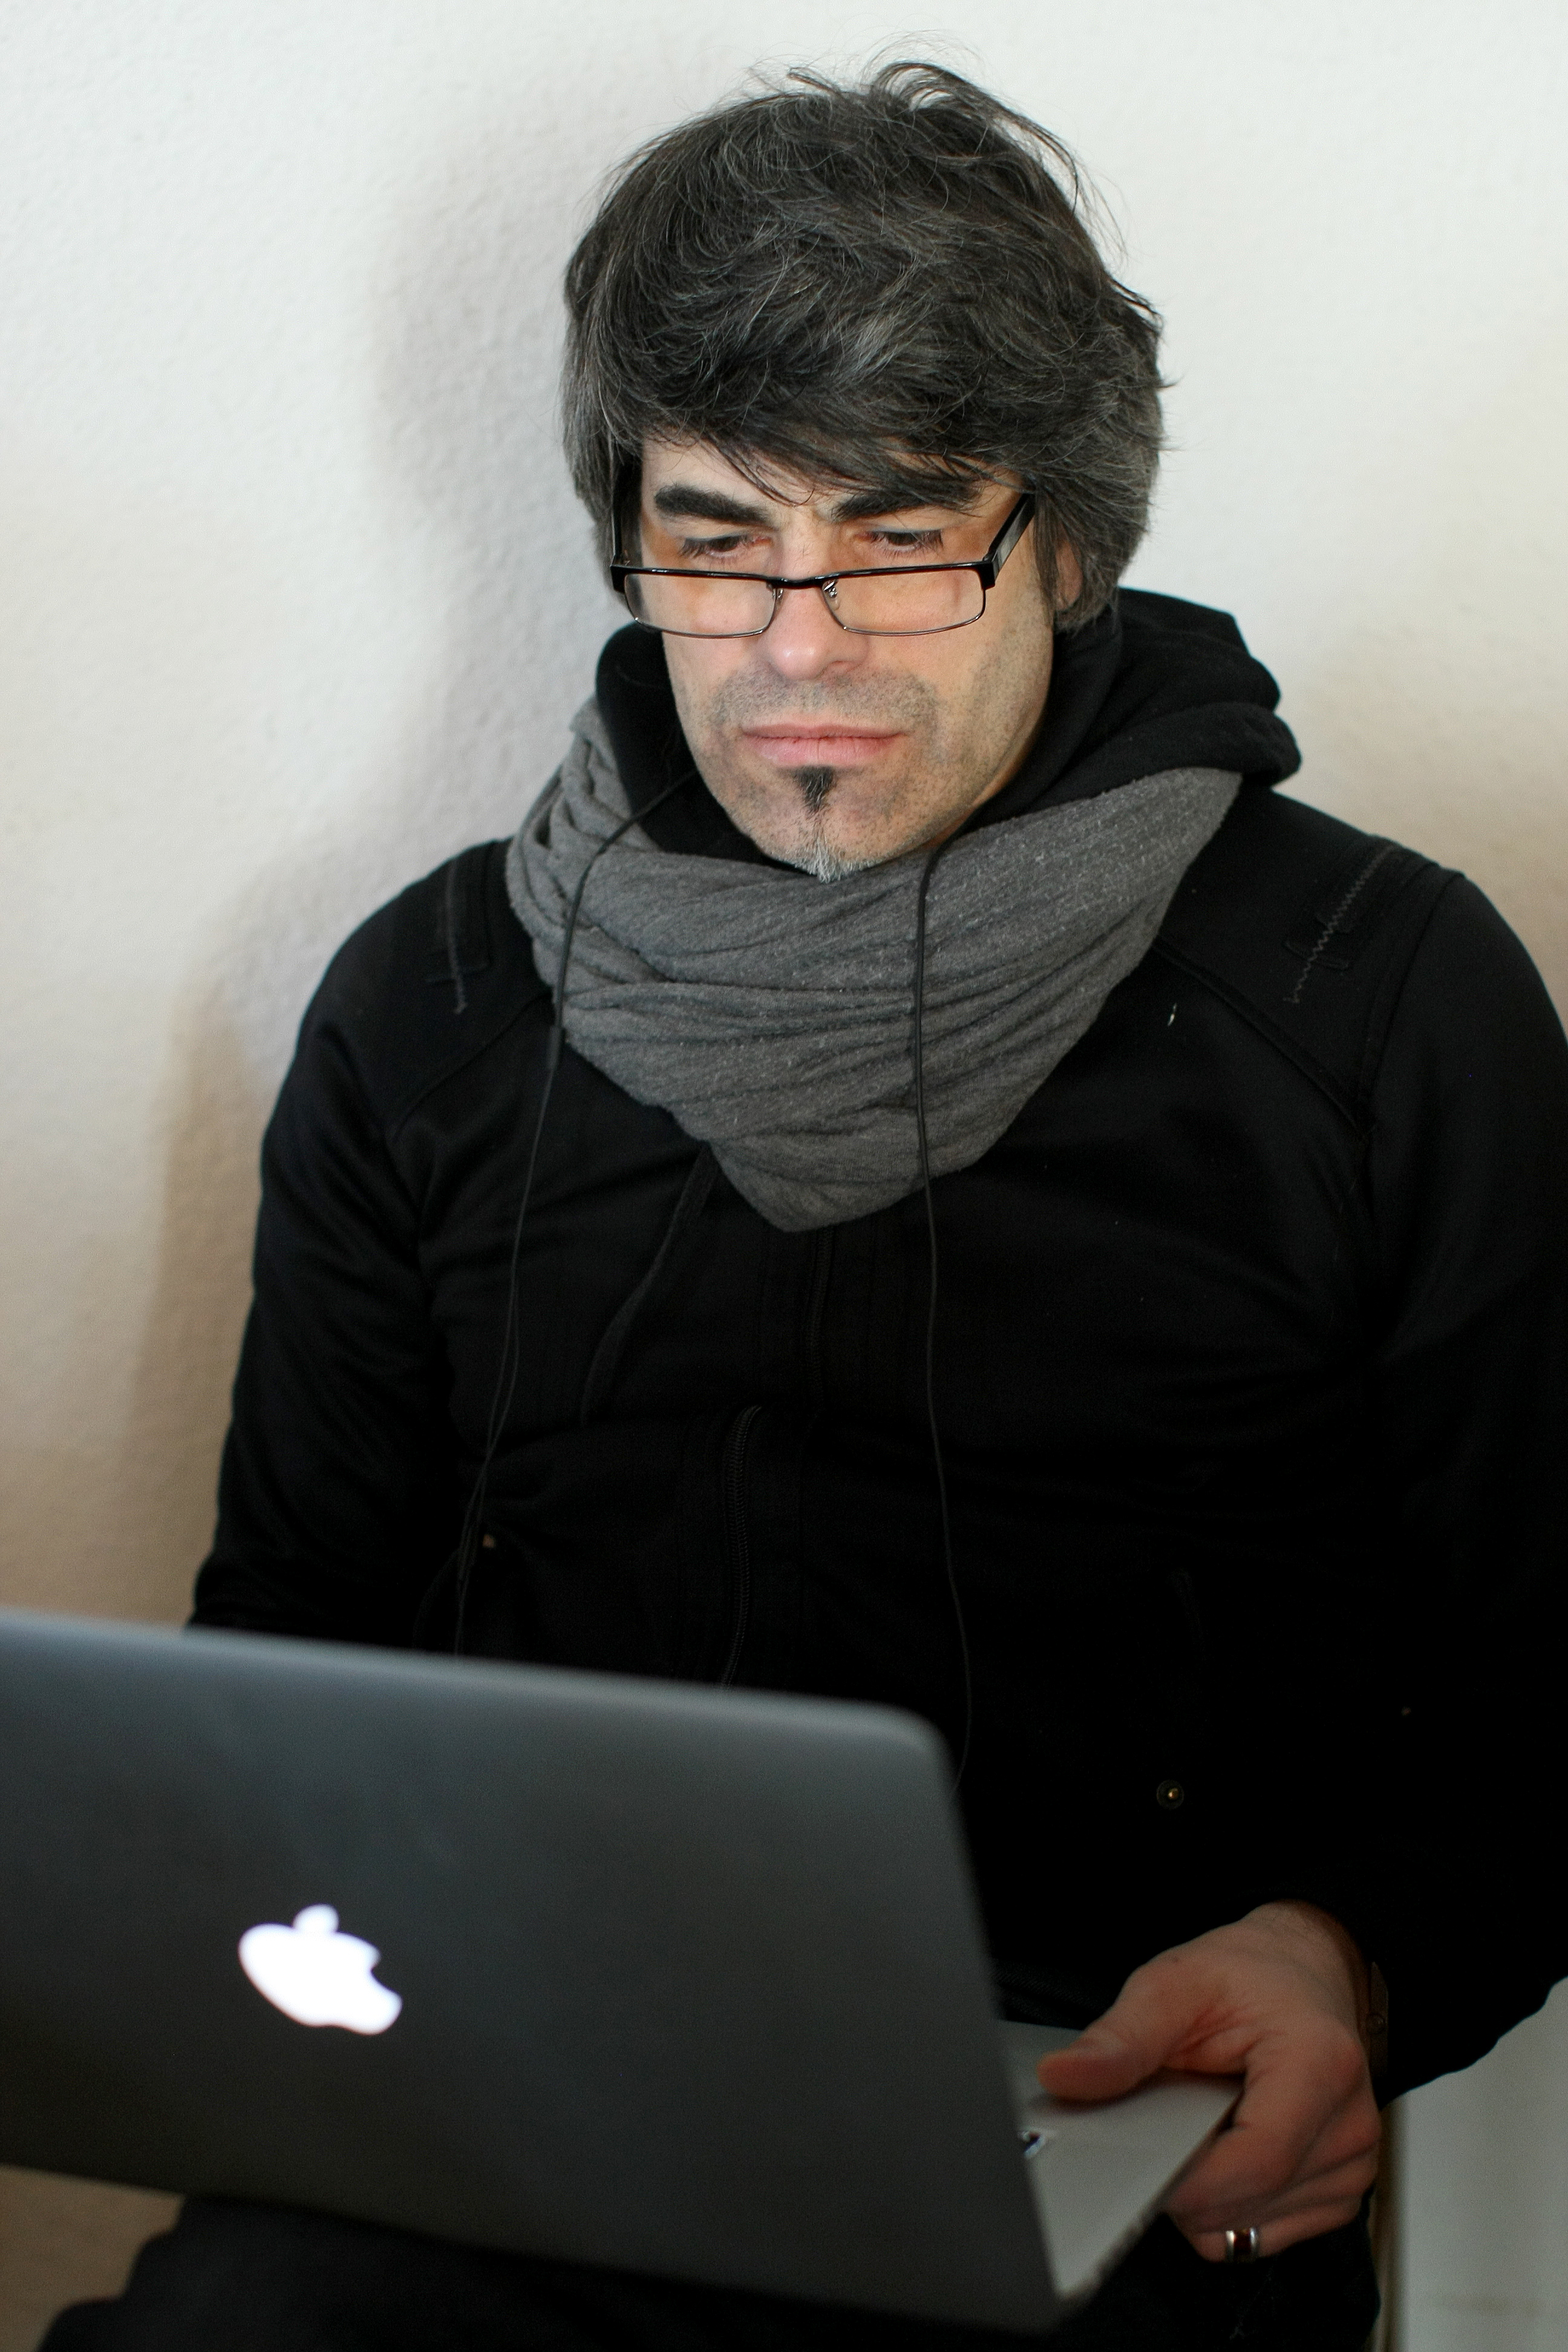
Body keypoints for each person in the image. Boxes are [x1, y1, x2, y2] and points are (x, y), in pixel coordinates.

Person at [45, 60, 1566, 2352]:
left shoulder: (1378, 1002)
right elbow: (285, 1664)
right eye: (719, 535)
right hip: (491, 2141)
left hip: (1111, 2136)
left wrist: (1338, 1956)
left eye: (901, 533)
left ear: (1067, 543)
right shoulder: (431, 1005)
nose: (797, 643)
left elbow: (1540, 1692)